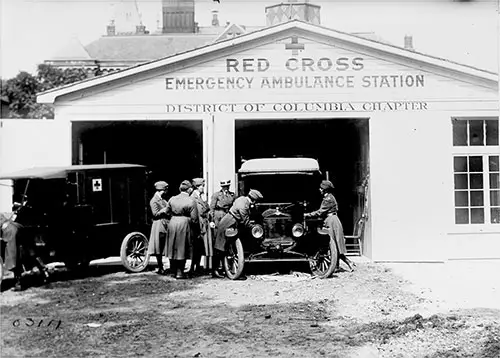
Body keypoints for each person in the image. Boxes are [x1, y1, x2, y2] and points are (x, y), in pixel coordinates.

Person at [304, 180, 355, 272]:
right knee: (335, 244)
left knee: (333, 244)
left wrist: (307, 215)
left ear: (325, 190)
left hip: (332, 221)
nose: (319, 190)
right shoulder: (328, 198)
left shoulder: (328, 199)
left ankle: (347, 262)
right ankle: (339, 265)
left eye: (321, 188)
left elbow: (320, 211)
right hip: (330, 220)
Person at [212, 189, 263, 278]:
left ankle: (221, 269)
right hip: (229, 222)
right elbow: (245, 221)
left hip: (228, 220)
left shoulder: (241, 199)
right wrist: (254, 228)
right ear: (254, 200)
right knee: (220, 247)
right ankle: (216, 271)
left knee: (222, 246)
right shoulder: (244, 206)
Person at [165, 180, 199, 279]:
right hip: (184, 223)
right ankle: (180, 272)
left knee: (173, 246)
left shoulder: (172, 199)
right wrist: (196, 230)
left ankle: (173, 271)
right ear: (189, 190)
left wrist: (174, 217)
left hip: (173, 222)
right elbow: (194, 218)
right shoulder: (191, 200)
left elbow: (167, 212)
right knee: (182, 247)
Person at [147, 181, 169, 275]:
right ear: (163, 190)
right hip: (158, 224)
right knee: (158, 247)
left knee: (164, 245)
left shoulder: (163, 200)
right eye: (166, 189)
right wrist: (165, 209)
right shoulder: (154, 200)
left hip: (165, 224)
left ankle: (164, 267)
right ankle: (160, 267)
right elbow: (155, 213)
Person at [189, 177, 210, 275]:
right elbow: (195, 213)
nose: (203, 188)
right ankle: (192, 268)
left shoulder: (201, 196)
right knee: (195, 247)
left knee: (200, 247)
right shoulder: (193, 197)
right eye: (202, 186)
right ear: (197, 187)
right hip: (197, 224)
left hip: (203, 223)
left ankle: (197, 267)